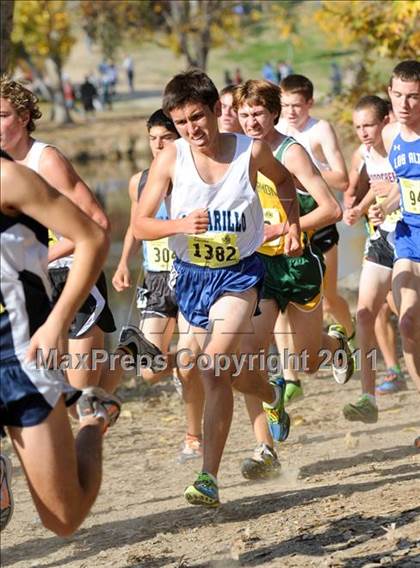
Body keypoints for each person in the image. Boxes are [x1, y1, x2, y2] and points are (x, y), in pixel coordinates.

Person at [132, 69, 302, 507]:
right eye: (182, 123)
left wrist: (292, 225)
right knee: (228, 373)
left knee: (211, 369)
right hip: (190, 277)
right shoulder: (170, 158)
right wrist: (179, 224)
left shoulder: (250, 152)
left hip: (239, 276)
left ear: (213, 110)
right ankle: (273, 393)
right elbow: (140, 224)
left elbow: (285, 182)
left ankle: (208, 477)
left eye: (197, 118)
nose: (192, 130)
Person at [0, 77, 155, 397]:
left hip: (71, 275)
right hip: (29, 287)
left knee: (81, 395)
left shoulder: (45, 160)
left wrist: (43, 257)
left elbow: (98, 224)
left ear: (24, 117)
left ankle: (127, 354)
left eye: (2, 115)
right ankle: (129, 350)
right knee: (49, 392)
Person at [233, 80, 352, 479]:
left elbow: (331, 209)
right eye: (244, 114)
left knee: (306, 359)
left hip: (299, 266)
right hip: (259, 270)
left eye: (258, 113)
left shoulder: (291, 152)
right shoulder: (237, 154)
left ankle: (334, 344)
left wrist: (286, 229)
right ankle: (265, 447)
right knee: (250, 354)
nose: (250, 121)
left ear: (273, 113)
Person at [0, 149, 121, 535]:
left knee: (63, 519)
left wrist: (58, 321)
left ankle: (93, 417)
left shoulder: (10, 178)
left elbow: (92, 236)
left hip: (19, 358)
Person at [112, 109, 204, 462]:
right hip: (156, 278)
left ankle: (193, 438)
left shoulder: (192, 176)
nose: (157, 145)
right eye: (152, 138)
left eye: (164, 138)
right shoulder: (140, 180)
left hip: (192, 273)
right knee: (150, 370)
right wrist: (122, 263)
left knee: (189, 363)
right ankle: (186, 369)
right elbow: (137, 225)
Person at [342, 95, 405, 423]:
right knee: (364, 313)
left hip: (409, 239)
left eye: (369, 125)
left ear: (386, 122)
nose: (364, 132)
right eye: (358, 127)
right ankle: (367, 397)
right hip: (381, 240)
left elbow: (401, 187)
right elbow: (377, 187)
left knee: (410, 321)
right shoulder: (365, 153)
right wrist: (361, 207)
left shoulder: (402, 146)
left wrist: (389, 205)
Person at [278, 74, 354, 342]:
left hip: (320, 220)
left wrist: (305, 171)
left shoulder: (320, 129)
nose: (290, 112)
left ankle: (352, 333)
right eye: (285, 105)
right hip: (287, 221)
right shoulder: (277, 129)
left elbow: (342, 179)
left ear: (310, 103)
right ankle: (290, 375)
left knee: (329, 298)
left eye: (296, 105)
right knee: (284, 301)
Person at [368, 60, 420, 447]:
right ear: (389, 94)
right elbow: (402, 187)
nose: (405, 104)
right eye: (399, 95)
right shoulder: (388, 134)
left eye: (414, 97)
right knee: (407, 324)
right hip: (408, 240)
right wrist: (383, 206)